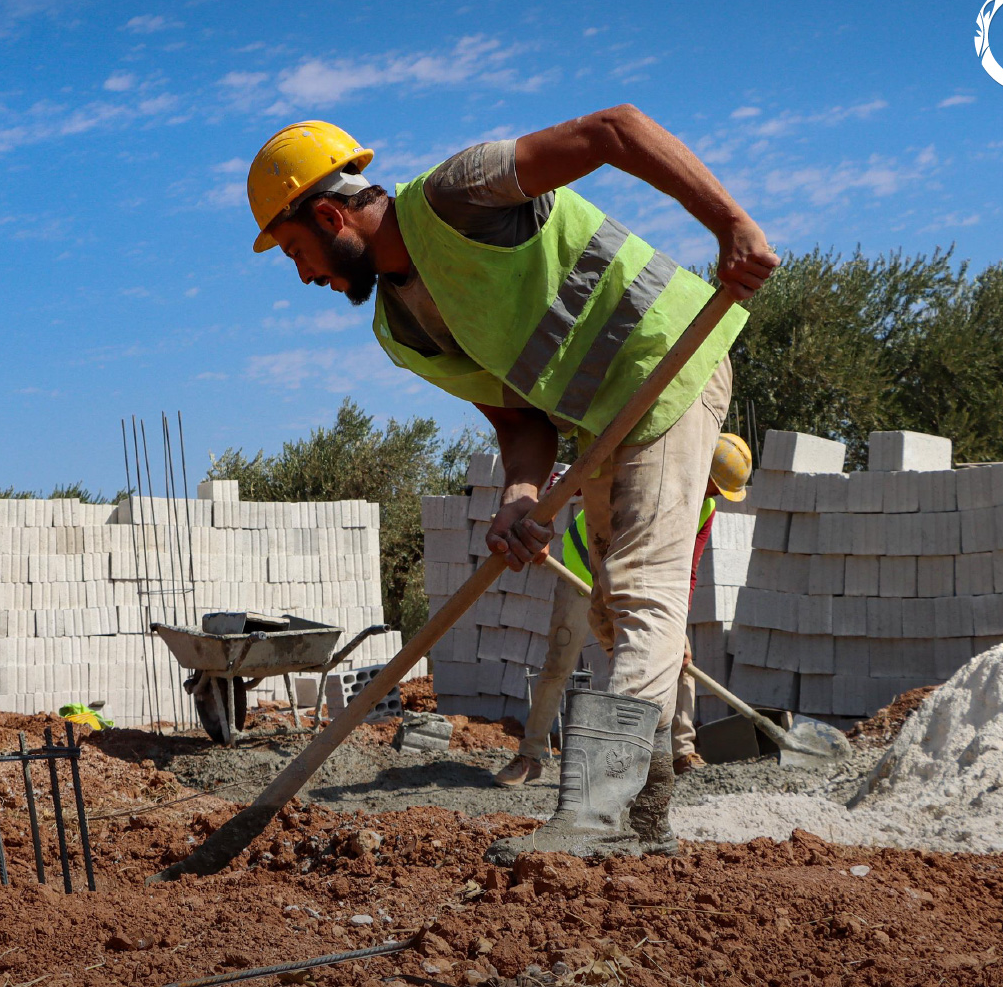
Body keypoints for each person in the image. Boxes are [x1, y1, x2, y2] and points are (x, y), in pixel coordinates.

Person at [244, 110, 779, 858]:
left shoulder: (459, 195)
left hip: (671, 362)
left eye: (298, 250)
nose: (305, 273)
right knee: (609, 618)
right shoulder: (401, 329)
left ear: (332, 214)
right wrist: (518, 498)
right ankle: (647, 819)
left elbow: (613, 130)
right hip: (601, 421)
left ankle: (592, 818)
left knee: (640, 593)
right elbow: (521, 419)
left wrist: (729, 224)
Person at [495, 432, 754, 786]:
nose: (713, 496)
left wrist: (677, 627)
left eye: (719, 493)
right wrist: (539, 518)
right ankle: (530, 756)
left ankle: (682, 753)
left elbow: (687, 570)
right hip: (581, 571)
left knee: (679, 658)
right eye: (714, 487)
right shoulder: (644, 473)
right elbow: (566, 486)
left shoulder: (704, 508)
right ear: (698, 468)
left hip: (643, 586)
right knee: (558, 664)